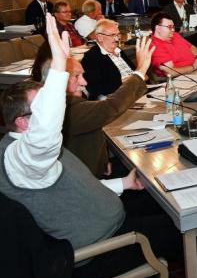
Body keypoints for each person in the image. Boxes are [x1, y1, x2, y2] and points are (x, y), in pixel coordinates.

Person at [0, 14, 197, 278]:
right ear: (23, 123)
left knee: (179, 201)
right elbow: (44, 137)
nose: (57, 107)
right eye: (44, 109)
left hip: (107, 217)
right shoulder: (22, 159)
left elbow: (71, 186)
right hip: (101, 249)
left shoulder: (25, 155)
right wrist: (60, 70)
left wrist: (122, 184)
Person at [33, 35, 151, 176]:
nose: (84, 83)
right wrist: (140, 71)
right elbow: (109, 107)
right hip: (83, 178)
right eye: (77, 76)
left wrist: (102, 159)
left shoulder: (65, 101)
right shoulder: (64, 108)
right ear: (59, 80)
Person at [81, 19, 138, 100]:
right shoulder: (91, 57)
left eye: (118, 35)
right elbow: (97, 89)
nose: (117, 39)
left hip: (134, 92)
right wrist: (129, 81)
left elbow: (139, 74)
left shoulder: (118, 51)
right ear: (100, 37)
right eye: (112, 35)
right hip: (113, 100)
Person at [149, 11, 197, 76]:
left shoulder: (174, 35)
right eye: (169, 27)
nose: (173, 30)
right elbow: (170, 72)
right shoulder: (155, 45)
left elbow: (191, 47)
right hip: (185, 78)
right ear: (157, 28)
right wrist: (194, 67)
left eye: (173, 27)